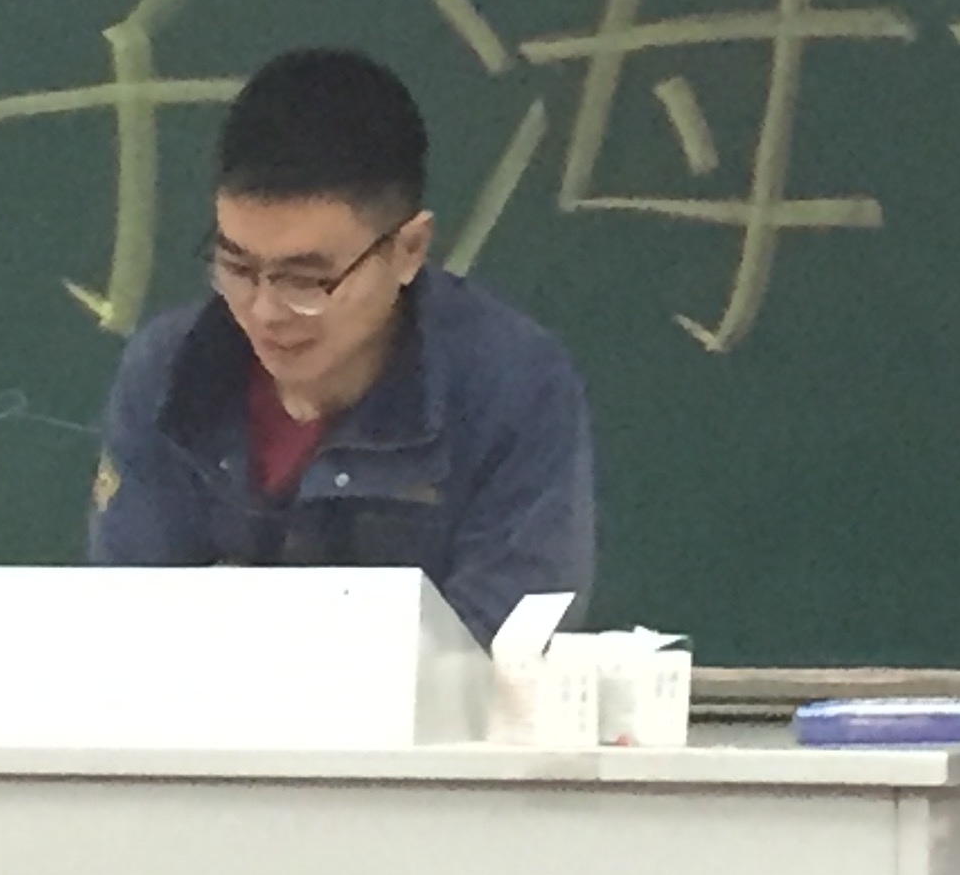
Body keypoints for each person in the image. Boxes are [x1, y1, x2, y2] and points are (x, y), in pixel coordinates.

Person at [87, 46, 595, 642]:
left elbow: (501, 648)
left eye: (306, 280)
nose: (265, 310)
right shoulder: (168, 373)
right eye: (237, 267)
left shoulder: (512, 387)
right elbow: (133, 630)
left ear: (408, 250)